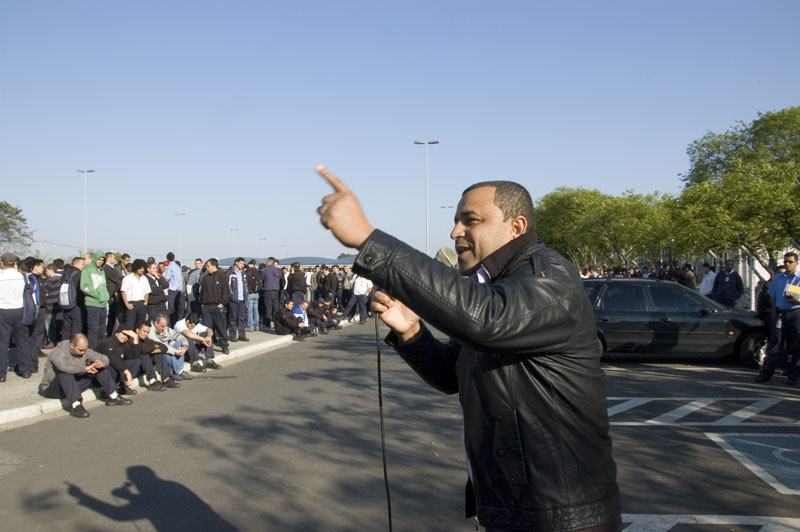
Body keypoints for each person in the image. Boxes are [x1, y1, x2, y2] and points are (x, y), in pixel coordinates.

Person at [316, 166, 621, 532]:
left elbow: (487, 320)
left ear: (517, 227)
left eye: (470, 220)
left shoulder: (548, 278)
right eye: (456, 221)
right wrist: (412, 332)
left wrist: (368, 238)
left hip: (562, 517)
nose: (456, 232)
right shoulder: (500, 286)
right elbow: (452, 374)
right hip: (510, 507)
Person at [38, 333, 132, 418]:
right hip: (54, 387)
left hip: (72, 384)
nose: (83, 353)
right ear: (72, 345)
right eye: (81, 350)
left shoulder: (83, 350)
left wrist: (100, 363)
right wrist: (85, 368)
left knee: (98, 369)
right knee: (66, 373)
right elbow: (64, 366)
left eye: (84, 350)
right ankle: (76, 406)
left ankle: (113, 396)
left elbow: (104, 358)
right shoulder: (58, 351)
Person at [756, 253, 800, 385]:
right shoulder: (778, 278)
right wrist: (775, 313)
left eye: (790, 262)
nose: (787, 264)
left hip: (796, 312)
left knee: (797, 345)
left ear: (796, 263)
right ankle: (766, 372)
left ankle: (793, 375)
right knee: (775, 343)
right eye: (785, 261)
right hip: (781, 312)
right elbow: (772, 296)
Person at [0, 253, 25, 383]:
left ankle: (1, 373)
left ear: (2, 263)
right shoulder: (20, 276)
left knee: (3, 343)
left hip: (3, 310)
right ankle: (25, 370)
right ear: (15, 263)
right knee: (21, 340)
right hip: (18, 309)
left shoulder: (1, 276)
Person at [96, 326, 142, 395]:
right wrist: (127, 372)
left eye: (128, 336)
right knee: (112, 366)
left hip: (116, 372)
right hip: (101, 375)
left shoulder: (124, 344)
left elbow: (134, 356)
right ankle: (106, 390)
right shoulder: (106, 342)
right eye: (123, 334)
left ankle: (122, 385)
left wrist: (135, 338)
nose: (125, 337)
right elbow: (112, 359)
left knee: (135, 361)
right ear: (117, 333)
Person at [148, 312, 191, 382]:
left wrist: (184, 347)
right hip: (157, 352)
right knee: (165, 351)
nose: (164, 329)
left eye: (165, 326)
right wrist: (175, 351)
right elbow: (159, 344)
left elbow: (180, 337)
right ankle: (178, 371)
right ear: (156, 323)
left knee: (179, 343)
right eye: (162, 326)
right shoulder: (149, 329)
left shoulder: (166, 329)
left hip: (168, 349)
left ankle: (179, 370)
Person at [199, 258, 230, 355]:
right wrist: (202, 303)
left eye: (208, 266)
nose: (207, 268)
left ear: (214, 265)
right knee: (207, 328)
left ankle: (224, 345)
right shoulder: (206, 277)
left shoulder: (222, 276)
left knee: (220, 327)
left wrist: (222, 303)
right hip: (206, 306)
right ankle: (208, 346)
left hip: (217, 306)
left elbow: (226, 291)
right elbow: (202, 291)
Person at [80, 250, 110, 349]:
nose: (100, 261)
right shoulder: (87, 270)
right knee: (93, 330)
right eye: (99, 259)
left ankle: (100, 350)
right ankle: (91, 351)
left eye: (102, 260)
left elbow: (104, 286)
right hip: (92, 304)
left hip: (102, 304)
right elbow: (84, 286)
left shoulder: (102, 271)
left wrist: (105, 296)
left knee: (102, 329)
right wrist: (97, 295)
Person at [120, 259, 150, 329]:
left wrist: (146, 302)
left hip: (142, 304)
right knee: (129, 325)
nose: (142, 270)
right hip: (132, 304)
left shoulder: (144, 278)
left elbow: (147, 291)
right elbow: (123, 291)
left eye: (143, 268)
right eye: (140, 268)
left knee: (140, 326)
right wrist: (127, 304)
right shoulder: (127, 278)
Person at [61, 257, 85, 341]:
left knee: (66, 327)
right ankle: (74, 344)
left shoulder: (65, 274)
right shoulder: (79, 274)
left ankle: (64, 345)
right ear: (76, 264)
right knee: (76, 327)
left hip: (65, 303)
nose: (83, 266)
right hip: (76, 304)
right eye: (82, 264)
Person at [227, 257, 249, 342]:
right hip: (234, 299)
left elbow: (245, 285)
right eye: (241, 263)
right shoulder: (230, 273)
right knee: (233, 317)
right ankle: (232, 335)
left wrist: (245, 295)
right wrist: (231, 296)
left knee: (241, 318)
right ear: (236, 263)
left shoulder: (243, 273)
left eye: (243, 264)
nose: (242, 265)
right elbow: (228, 286)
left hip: (242, 299)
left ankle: (241, 335)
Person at [103, 252, 123, 337]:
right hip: (111, 294)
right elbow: (116, 278)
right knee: (112, 316)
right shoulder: (107, 268)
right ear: (109, 258)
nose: (114, 260)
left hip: (113, 294)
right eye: (113, 258)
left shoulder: (111, 268)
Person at [163, 252, 184, 326]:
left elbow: (167, 278)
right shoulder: (177, 267)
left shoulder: (170, 267)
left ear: (167, 259)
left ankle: (171, 324)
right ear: (174, 258)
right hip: (179, 290)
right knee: (178, 309)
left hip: (172, 290)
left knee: (171, 309)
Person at [261, 257, 281, 330]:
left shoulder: (266, 270)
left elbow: (262, 279)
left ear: (270, 262)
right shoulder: (278, 271)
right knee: (275, 309)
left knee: (268, 309)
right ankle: (276, 324)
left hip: (268, 290)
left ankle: (267, 324)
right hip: (276, 291)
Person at [244, 259, 262, 332]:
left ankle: (250, 326)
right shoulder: (257, 273)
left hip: (249, 293)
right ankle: (256, 326)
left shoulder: (247, 272)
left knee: (249, 311)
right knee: (256, 310)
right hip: (256, 293)